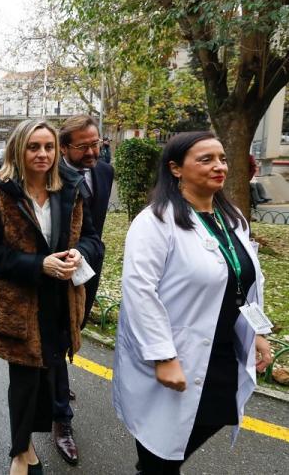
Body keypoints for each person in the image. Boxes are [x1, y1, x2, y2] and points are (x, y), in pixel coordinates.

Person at [112, 131, 273, 474]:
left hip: (222, 355)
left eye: (222, 159)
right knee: (162, 449)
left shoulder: (233, 220)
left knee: (191, 433)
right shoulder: (154, 222)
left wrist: (257, 333)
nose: (219, 167)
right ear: (175, 169)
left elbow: (245, 282)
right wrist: (163, 356)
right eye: (206, 160)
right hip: (174, 355)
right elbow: (140, 291)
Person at [0, 119, 102, 475]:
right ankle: (20, 452)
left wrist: (81, 254)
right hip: (19, 303)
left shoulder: (70, 188)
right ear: (19, 149)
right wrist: (37, 265)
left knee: (48, 373)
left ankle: (29, 446)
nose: (43, 154)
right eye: (34, 147)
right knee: (24, 379)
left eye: (48, 147)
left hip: (61, 300)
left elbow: (92, 238)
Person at [52, 114, 114, 465]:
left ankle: (56, 377)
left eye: (96, 143)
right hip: (57, 269)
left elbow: (96, 228)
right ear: (64, 148)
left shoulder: (105, 172)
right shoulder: (50, 175)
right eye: (83, 146)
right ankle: (61, 420)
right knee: (59, 333)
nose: (93, 151)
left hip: (90, 265)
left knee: (76, 329)